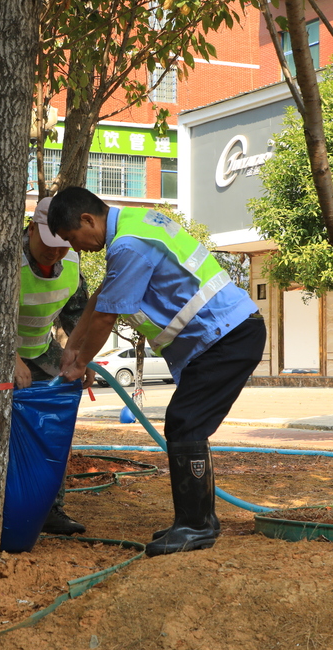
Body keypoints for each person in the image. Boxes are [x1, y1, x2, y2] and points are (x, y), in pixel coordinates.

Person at [48, 187, 266, 556]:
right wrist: (71, 349)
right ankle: (200, 521)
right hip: (221, 336)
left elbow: (105, 315)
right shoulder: (134, 224)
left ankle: (195, 526)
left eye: (73, 238)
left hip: (226, 336)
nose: (77, 248)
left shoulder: (128, 245)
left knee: (185, 423)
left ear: (87, 219)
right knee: (187, 423)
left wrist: (79, 364)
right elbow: (100, 298)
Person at [17, 196, 94, 536]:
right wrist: (9, 357)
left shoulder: (73, 261)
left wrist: (83, 356)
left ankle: (51, 509)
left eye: (62, 247)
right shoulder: (7, 261)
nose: (55, 253)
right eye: (48, 245)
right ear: (31, 228)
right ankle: (6, 504)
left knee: (53, 431)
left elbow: (76, 314)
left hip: (42, 352)